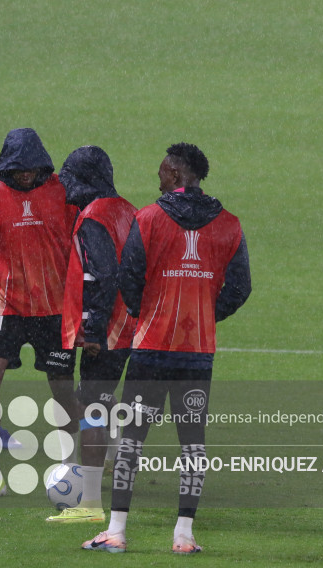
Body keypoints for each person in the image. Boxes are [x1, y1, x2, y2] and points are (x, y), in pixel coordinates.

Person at [82, 142, 251, 554]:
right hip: (197, 352)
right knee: (192, 441)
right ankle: (183, 537)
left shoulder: (149, 217)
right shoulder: (229, 224)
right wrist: (207, 314)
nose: (157, 178)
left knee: (132, 440)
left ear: (176, 174)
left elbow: (129, 278)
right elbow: (241, 287)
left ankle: (117, 531)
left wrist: (148, 314)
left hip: (152, 349)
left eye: (161, 171)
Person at [0, 127, 80, 499]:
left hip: (53, 308)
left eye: (32, 168)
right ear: (7, 166)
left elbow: (82, 245)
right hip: (4, 306)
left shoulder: (63, 192)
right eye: (18, 169)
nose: (25, 175)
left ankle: (74, 466)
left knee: (61, 386)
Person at [44, 146, 137, 523]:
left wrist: (94, 329)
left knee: (91, 406)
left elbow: (103, 275)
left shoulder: (93, 219)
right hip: (132, 323)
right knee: (99, 398)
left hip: (109, 329)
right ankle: (118, 454)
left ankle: (90, 504)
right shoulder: (127, 209)